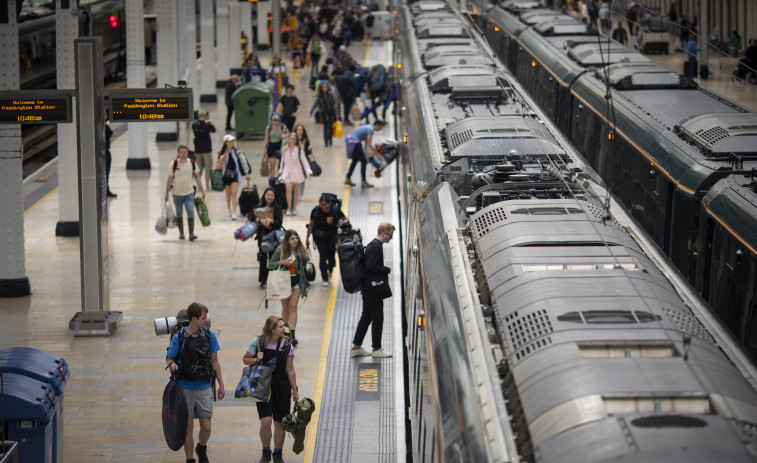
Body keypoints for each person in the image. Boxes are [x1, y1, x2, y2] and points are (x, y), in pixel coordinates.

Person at [166, 302, 225, 463]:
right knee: (188, 427)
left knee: (206, 427)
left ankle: (201, 447)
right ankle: (190, 459)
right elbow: (169, 357)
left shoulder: (209, 335)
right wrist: (172, 364)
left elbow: (215, 361)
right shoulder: (179, 337)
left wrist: (221, 384)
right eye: (203, 318)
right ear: (194, 319)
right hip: (184, 388)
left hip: (205, 386)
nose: (206, 320)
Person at [243, 316, 298, 463]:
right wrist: (256, 359)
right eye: (280, 327)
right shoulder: (258, 342)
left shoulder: (287, 344)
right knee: (266, 421)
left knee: (279, 422)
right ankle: (266, 451)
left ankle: (278, 454)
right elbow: (245, 359)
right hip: (263, 385)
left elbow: (290, 369)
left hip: (282, 386)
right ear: (272, 329)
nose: (284, 329)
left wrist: (295, 390)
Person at [350, 222, 395, 358]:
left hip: (367, 287)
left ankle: (356, 347)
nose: (391, 238)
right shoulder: (376, 246)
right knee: (378, 318)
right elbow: (371, 266)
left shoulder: (372, 245)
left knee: (366, 317)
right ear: (383, 233)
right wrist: (385, 269)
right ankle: (377, 349)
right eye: (390, 235)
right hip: (373, 289)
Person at [268, 230, 312, 347]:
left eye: (296, 238)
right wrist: (282, 262)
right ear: (287, 240)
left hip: (297, 281)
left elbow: (308, 263)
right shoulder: (280, 250)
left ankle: (292, 334)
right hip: (284, 282)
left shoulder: (302, 251)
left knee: (293, 307)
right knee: (285, 308)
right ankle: (285, 332)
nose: (295, 240)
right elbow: (270, 264)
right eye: (292, 238)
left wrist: (308, 268)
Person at [305, 195, 349, 287]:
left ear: (329, 203)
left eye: (325, 205)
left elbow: (346, 219)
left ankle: (331, 268)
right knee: (323, 255)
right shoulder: (316, 211)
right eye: (321, 205)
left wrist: (342, 223)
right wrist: (307, 238)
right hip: (319, 237)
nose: (323, 207)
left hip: (331, 237)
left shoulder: (335, 210)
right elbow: (311, 225)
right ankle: (324, 277)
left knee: (331, 257)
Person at [165, 145, 206, 241]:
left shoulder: (192, 163)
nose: (183, 154)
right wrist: (166, 193)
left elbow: (197, 177)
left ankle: (191, 233)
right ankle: (181, 233)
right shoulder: (173, 164)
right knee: (179, 213)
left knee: (190, 210)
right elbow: (170, 179)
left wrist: (203, 190)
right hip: (177, 194)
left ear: (187, 153)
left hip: (189, 193)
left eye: (185, 152)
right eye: (182, 152)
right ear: (178, 153)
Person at [253, 188, 284, 289]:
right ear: (264, 195)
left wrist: (272, 221)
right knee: (262, 258)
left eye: (272, 195)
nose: (269, 197)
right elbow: (251, 215)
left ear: (274, 197)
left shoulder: (277, 208)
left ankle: (273, 279)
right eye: (268, 195)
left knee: (273, 258)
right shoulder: (259, 206)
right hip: (262, 237)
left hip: (273, 237)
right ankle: (263, 280)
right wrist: (259, 220)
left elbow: (279, 223)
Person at [216, 134, 250, 220]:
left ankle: (234, 212)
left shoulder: (237, 152)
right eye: (230, 141)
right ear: (226, 142)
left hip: (235, 175)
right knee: (227, 194)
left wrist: (246, 173)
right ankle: (228, 209)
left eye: (233, 141)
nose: (232, 142)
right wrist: (220, 160)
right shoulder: (222, 154)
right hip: (226, 175)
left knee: (234, 194)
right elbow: (217, 167)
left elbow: (243, 162)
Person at [344, 119, 385, 188]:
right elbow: (369, 143)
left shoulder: (368, 127)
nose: (379, 130)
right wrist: (376, 153)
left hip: (351, 141)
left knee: (355, 161)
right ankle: (363, 181)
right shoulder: (371, 130)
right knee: (363, 162)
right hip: (355, 142)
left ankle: (348, 178)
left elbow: (366, 142)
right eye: (380, 128)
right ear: (377, 125)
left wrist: (365, 150)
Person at [279, 133, 312, 216]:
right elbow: (282, 161)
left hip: (297, 171)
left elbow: (304, 161)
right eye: (291, 138)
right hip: (287, 171)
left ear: (296, 140)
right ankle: (289, 207)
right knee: (288, 188)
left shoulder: (299, 150)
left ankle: (294, 208)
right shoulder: (284, 149)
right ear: (289, 139)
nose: (292, 140)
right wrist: (280, 170)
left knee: (296, 190)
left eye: (294, 139)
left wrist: (308, 172)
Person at [192, 111, 216, 192]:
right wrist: (209, 121)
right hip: (207, 150)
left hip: (197, 150)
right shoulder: (207, 125)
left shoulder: (194, 125)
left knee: (198, 170)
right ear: (205, 116)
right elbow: (214, 130)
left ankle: (199, 187)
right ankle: (207, 186)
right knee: (208, 169)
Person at [262, 114, 290, 179]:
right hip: (271, 147)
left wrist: (284, 136)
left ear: (279, 121)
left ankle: (279, 177)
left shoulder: (283, 127)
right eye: (274, 120)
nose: (275, 122)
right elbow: (266, 139)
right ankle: (273, 178)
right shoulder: (269, 128)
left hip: (279, 147)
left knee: (278, 164)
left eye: (277, 120)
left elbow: (289, 133)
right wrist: (264, 150)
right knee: (272, 165)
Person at [311, 81, 337, 147]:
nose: (324, 88)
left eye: (325, 87)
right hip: (323, 112)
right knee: (325, 127)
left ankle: (330, 139)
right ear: (321, 88)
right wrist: (311, 112)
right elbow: (315, 104)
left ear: (328, 87)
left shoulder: (331, 95)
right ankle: (325, 141)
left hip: (331, 112)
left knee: (330, 126)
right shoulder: (320, 96)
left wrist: (337, 113)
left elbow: (334, 104)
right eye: (323, 87)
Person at [294, 124, 313, 197]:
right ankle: (295, 192)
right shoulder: (293, 139)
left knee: (302, 177)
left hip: (303, 161)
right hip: (294, 161)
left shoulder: (306, 140)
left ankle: (300, 193)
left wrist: (309, 150)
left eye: (301, 129)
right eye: (298, 129)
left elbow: (308, 154)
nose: (299, 131)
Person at [104, 119, 116, 197]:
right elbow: (113, 135)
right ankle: (106, 190)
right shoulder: (105, 127)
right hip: (106, 153)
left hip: (99, 153)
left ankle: (103, 190)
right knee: (106, 172)